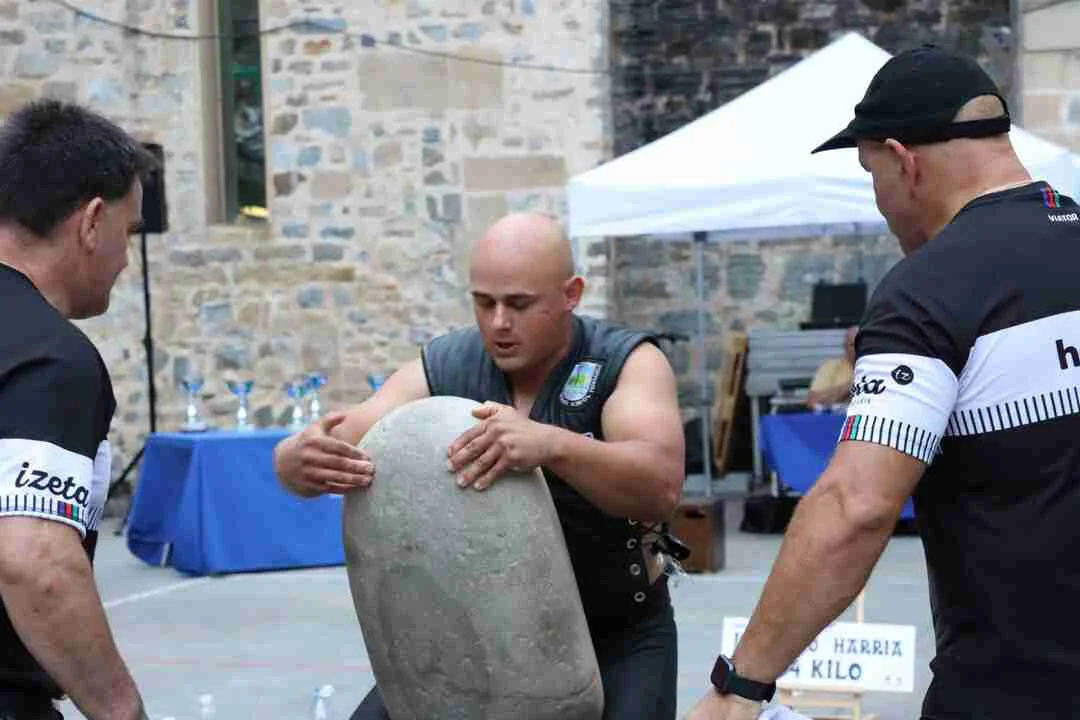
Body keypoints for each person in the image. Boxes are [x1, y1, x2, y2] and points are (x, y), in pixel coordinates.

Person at [687, 44, 1080, 720]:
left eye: (871, 173)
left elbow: (855, 507)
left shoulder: (927, 292)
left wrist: (740, 685)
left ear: (903, 160)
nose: (879, 200)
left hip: (1017, 690)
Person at [273, 212, 686, 719]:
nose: (499, 323)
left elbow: (659, 486)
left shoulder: (627, 362)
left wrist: (552, 445)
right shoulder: (446, 364)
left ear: (571, 294)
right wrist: (294, 461)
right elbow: (345, 438)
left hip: (618, 635)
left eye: (519, 304)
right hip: (476, 637)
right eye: (484, 303)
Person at [0, 100, 152, 720]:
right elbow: (34, 559)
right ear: (92, 222)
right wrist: (121, 710)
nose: (125, 259)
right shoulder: (51, 358)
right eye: (129, 232)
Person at [805, 326, 856, 409]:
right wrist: (852, 384)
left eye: (862, 344)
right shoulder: (831, 367)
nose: (858, 348)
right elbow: (813, 401)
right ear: (845, 346)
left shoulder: (875, 367)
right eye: (853, 344)